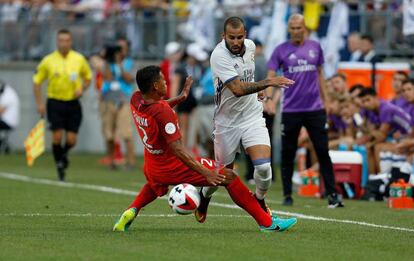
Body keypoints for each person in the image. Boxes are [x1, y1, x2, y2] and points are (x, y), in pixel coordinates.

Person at [112, 65, 297, 232]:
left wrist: (180, 98)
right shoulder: (164, 114)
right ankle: (267, 223)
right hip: (171, 164)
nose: (165, 81)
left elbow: (156, 108)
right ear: (154, 86)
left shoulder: (136, 99)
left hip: (152, 163)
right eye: (162, 79)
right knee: (229, 177)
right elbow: (178, 149)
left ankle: (131, 211)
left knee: (154, 185)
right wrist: (205, 173)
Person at [196, 16, 295, 223]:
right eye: (231, 37)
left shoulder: (250, 47)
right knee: (222, 176)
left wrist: (257, 93)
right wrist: (267, 83)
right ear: (223, 36)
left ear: (245, 36)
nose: (235, 41)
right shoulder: (218, 56)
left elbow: (246, 80)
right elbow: (238, 89)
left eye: (239, 37)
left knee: (264, 168)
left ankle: (259, 200)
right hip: (226, 122)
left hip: (252, 116)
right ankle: (204, 198)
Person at [267, 14, 344, 207]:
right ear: (288, 29)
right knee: (287, 153)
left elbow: (320, 74)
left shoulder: (315, 47)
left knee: (322, 151)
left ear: (305, 28)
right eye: (292, 28)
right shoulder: (280, 50)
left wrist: (326, 100)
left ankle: (333, 195)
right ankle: (287, 195)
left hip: (314, 109)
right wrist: (268, 99)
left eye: (298, 27)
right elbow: (270, 77)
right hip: (291, 110)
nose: (295, 31)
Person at [33, 29, 92, 181]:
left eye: (66, 40)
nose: (64, 43)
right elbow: (37, 81)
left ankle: (63, 155)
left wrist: (83, 88)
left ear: (71, 42)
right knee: (57, 137)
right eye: (61, 40)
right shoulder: (48, 60)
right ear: (57, 41)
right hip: (55, 102)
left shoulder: (79, 59)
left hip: (73, 103)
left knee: (72, 140)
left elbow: (88, 77)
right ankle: (59, 164)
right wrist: (39, 103)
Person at [101, 37, 136, 170]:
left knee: (126, 132)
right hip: (108, 99)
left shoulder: (129, 62)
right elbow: (108, 78)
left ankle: (130, 162)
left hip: (124, 100)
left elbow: (128, 79)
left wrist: (119, 64)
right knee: (109, 133)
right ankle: (111, 161)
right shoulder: (108, 63)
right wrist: (107, 60)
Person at [0, 80, 20, 153]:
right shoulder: (7, 93)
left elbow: (1, 111)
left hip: (8, 122)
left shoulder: (8, 95)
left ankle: (2, 144)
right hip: (6, 121)